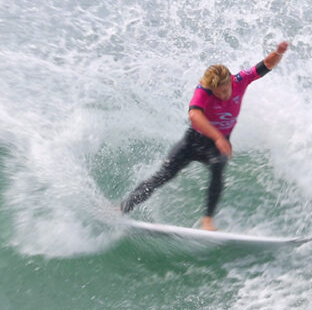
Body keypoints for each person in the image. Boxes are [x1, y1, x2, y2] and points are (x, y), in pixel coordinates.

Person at [120, 41, 289, 230]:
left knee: (218, 167)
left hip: (216, 146)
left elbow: (265, 65)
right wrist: (218, 137)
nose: (223, 96)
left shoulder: (240, 80)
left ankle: (207, 220)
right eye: (217, 93)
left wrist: (278, 53)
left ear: (230, 82)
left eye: (225, 91)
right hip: (193, 141)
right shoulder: (204, 91)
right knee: (162, 176)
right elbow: (194, 114)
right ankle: (123, 208)